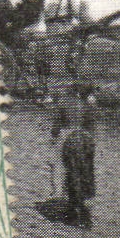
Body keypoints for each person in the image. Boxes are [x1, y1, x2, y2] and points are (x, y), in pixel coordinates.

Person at [52, 81, 97, 228]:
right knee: (85, 173)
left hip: (70, 141)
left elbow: (56, 128)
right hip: (87, 142)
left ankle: (72, 209)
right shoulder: (89, 107)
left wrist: (54, 136)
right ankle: (84, 209)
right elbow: (91, 128)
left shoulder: (64, 103)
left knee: (68, 172)